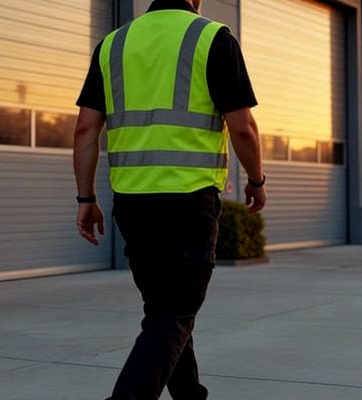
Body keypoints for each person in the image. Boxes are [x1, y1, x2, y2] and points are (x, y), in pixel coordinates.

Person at [71, 0, 266, 399]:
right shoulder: (212, 38)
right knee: (173, 312)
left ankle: (189, 394)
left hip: (132, 203)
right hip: (187, 201)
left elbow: (85, 129)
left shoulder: (113, 44)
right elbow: (243, 128)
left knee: (165, 309)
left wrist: (85, 197)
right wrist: (257, 180)